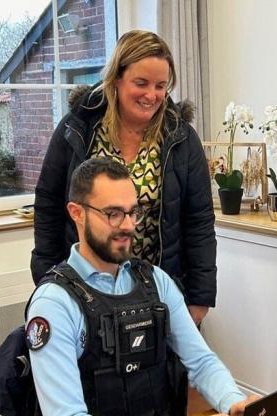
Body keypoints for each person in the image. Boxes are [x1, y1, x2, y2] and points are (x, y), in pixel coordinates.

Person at [0, 158, 256, 416]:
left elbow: (201, 361)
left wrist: (232, 401)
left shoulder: (157, 282)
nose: (128, 226)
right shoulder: (55, 304)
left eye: (132, 212)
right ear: (77, 213)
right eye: (113, 213)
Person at [31, 30, 214, 326]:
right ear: (116, 79)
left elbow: (200, 221)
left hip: (159, 294)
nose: (151, 95)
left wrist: (199, 298)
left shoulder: (180, 137)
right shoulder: (78, 128)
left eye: (160, 86)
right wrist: (47, 279)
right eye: (140, 83)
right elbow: (49, 205)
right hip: (85, 294)